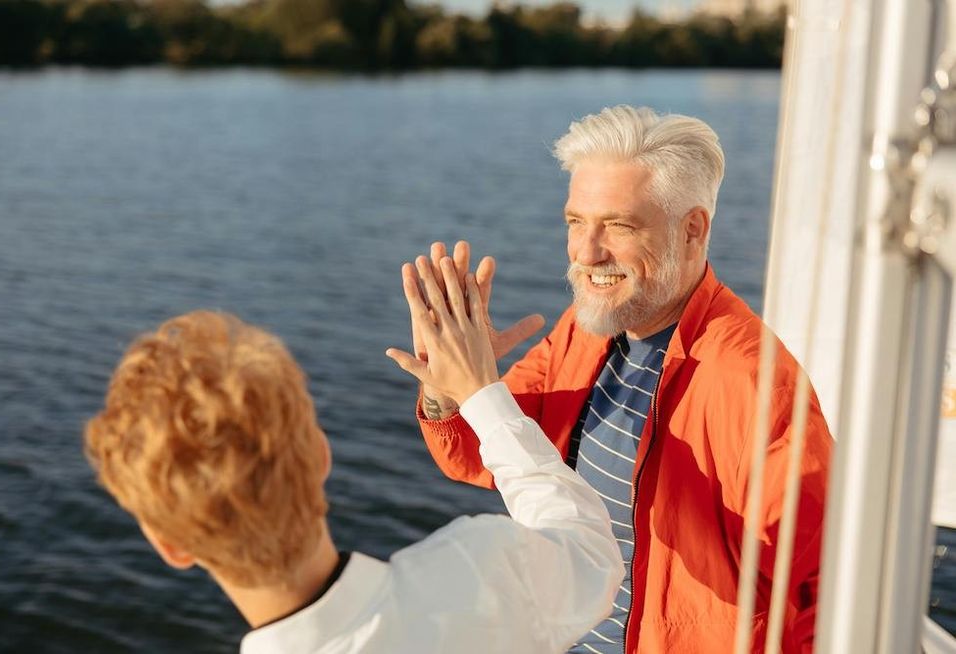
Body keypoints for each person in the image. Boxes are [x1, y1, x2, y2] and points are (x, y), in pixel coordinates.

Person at [411, 106, 833, 653]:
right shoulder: (585, 331)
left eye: (618, 224)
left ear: (693, 230)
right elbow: (483, 454)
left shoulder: (755, 387)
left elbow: (829, 597)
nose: (586, 252)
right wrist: (447, 388)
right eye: (575, 222)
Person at [83, 261, 622, 654]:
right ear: (321, 456)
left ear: (169, 545)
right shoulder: (475, 570)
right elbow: (590, 550)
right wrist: (479, 391)